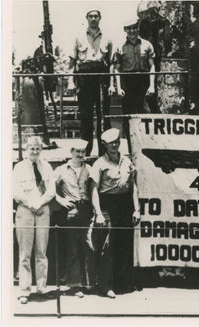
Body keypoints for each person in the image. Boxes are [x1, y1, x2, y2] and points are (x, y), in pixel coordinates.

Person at [92, 128, 140, 298]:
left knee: (124, 244)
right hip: (107, 205)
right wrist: (98, 212)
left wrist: (136, 209)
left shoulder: (127, 162)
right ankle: (106, 286)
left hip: (125, 205)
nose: (114, 145)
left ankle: (123, 283)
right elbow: (94, 191)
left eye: (117, 142)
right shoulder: (99, 164)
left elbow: (133, 186)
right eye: (111, 143)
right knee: (108, 245)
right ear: (104, 145)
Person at [54, 140, 105, 298]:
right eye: (77, 151)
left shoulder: (89, 169)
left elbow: (94, 190)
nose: (80, 155)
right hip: (71, 212)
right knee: (73, 249)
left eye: (83, 151)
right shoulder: (61, 170)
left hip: (87, 211)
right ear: (71, 151)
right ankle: (75, 286)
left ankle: (90, 283)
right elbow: (50, 190)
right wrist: (62, 201)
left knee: (89, 246)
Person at [13, 136, 56, 304]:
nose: (35, 151)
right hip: (25, 210)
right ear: (26, 149)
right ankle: (24, 290)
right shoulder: (18, 167)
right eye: (32, 148)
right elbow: (15, 190)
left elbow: (51, 190)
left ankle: (41, 287)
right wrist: (31, 204)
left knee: (41, 251)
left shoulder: (47, 167)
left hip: (42, 210)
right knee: (24, 253)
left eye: (38, 148)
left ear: (41, 150)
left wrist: (39, 203)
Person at [69, 8, 112, 156]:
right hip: (84, 78)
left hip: (101, 77)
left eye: (96, 16)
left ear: (100, 18)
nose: (93, 18)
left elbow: (112, 64)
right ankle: (85, 153)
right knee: (85, 115)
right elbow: (72, 62)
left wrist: (111, 83)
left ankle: (104, 153)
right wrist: (70, 82)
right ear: (86, 18)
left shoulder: (107, 37)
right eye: (90, 16)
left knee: (103, 117)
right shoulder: (78, 37)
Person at [109, 19, 155, 154]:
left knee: (144, 115)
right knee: (128, 117)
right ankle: (131, 149)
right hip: (128, 82)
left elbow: (152, 66)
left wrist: (151, 86)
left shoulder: (147, 45)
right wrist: (118, 87)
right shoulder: (120, 46)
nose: (132, 31)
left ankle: (146, 149)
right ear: (125, 30)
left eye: (134, 28)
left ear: (138, 29)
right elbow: (117, 68)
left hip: (143, 82)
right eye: (129, 28)